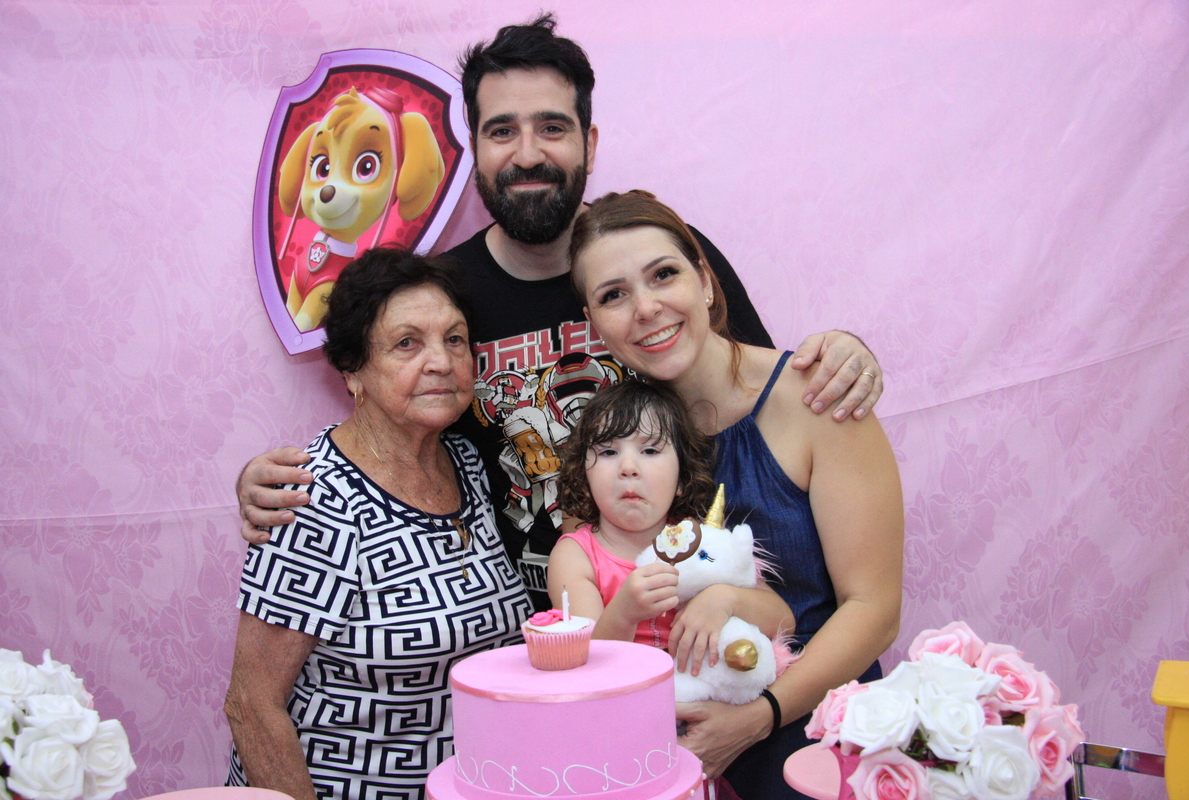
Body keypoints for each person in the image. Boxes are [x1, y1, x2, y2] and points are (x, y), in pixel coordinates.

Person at [236, 15, 886, 610]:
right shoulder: (445, 297)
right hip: (541, 635)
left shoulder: (660, 261)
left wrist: (841, 351)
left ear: (588, 143)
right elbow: (389, 432)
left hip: (703, 608)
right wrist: (284, 484)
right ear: (475, 147)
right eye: (502, 131)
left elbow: (757, 397)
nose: (527, 154)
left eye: (551, 127)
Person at [569, 190, 904, 800]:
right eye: (613, 295)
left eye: (663, 274)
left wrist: (759, 718)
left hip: (822, 735)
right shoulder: (616, 441)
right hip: (674, 751)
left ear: (704, 281)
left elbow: (874, 609)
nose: (645, 308)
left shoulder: (818, 397)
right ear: (594, 323)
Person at [223, 248, 531, 800]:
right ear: (352, 369)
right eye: (406, 343)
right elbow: (251, 703)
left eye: (454, 339)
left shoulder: (467, 461)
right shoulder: (314, 498)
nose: (440, 362)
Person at [548, 379, 794, 670]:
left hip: (709, 691)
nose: (628, 468)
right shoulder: (575, 556)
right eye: (609, 452)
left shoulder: (701, 541)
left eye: (650, 451)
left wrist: (724, 599)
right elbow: (587, 665)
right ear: (583, 478)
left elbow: (783, 620)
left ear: (682, 479)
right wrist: (624, 614)